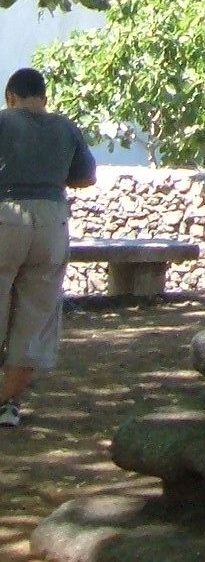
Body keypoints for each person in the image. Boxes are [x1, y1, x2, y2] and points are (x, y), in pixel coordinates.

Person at [0, 66, 97, 428]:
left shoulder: (2, 122)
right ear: (44, 98)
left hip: (4, 215)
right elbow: (86, 176)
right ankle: (9, 405)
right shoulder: (65, 127)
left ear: (10, 96)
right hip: (53, 221)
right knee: (36, 314)